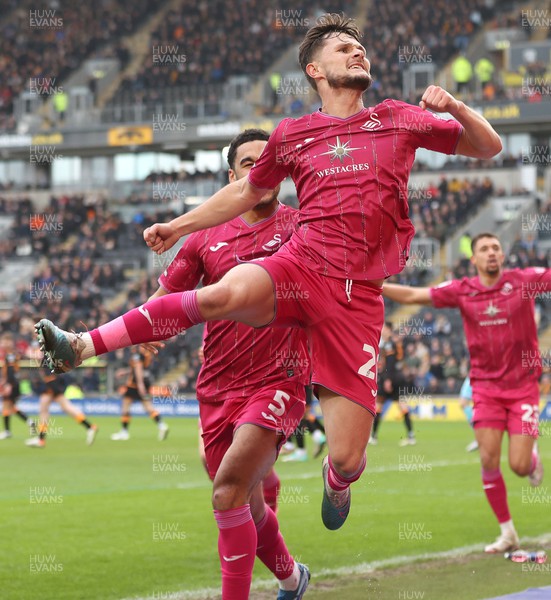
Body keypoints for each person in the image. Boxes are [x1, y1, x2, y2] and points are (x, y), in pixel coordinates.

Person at [36, 13, 502, 540]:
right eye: (344, 47)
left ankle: (337, 478)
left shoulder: (398, 117)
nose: (358, 53)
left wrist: (457, 107)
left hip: (356, 302)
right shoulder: (293, 134)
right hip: (301, 267)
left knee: (349, 457)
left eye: (361, 47)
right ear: (314, 69)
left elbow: (489, 147)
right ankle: (80, 345)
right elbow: (244, 193)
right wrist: (177, 225)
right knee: (220, 294)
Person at [141, 128, 311, 599]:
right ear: (232, 176)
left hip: (280, 379)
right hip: (218, 384)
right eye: (248, 163)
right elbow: (165, 300)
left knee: (226, 493)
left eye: (267, 160)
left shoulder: (303, 226)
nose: (260, 169)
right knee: (246, 505)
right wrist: (146, 333)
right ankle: (292, 579)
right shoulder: (204, 239)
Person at [382, 233, 546, 553]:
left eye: (496, 247)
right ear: (474, 259)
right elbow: (416, 295)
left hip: (523, 387)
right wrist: (373, 285)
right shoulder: (463, 290)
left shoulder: (524, 281)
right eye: (484, 249)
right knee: (487, 458)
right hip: (485, 388)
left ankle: (531, 458)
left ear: (503, 254)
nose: (491, 253)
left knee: (519, 466)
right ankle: (508, 532)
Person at [26, 361, 98, 448]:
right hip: (54, 383)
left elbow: (49, 372)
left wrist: (50, 385)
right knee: (65, 407)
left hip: (51, 384)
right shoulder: (51, 352)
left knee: (44, 410)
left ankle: (41, 439)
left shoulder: (48, 352)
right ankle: (89, 426)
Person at [369, 322, 416, 446]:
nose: (382, 330)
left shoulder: (389, 344)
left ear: (389, 330)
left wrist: (388, 380)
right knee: (402, 405)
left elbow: (390, 363)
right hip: (397, 377)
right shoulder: (391, 343)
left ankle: (373, 436)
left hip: (391, 378)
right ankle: (411, 435)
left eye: (384, 328)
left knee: (379, 405)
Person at [110, 346, 169, 441]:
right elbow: (138, 368)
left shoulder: (137, 353)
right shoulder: (146, 352)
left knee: (125, 407)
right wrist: (125, 372)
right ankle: (162, 425)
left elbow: (138, 367)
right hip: (145, 381)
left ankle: (124, 432)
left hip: (134, 384)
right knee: (148, 407)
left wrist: (140, 385)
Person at [0, 334, 36, 440]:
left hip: (13, 384)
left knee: (7, 406)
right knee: (11, 407)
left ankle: (7, 431)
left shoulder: (11, 355)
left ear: (10, 343)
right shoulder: (9, 354)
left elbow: (11, 372)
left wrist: (8, 384)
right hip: (12, 384)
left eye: (5, 341)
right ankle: (30, 422)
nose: (3, 344)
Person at [282, 385, 327, 462]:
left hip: (300, 385)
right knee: (304, 416)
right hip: (307, 385)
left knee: (297, 417)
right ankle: (318, 436)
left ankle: (299, 450)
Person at [460, 376, 479, 452]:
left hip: (478, 374)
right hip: (473, 374)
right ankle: (479, 437)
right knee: (463, 403)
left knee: (464, 402)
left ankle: (480, 437)